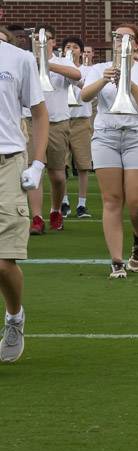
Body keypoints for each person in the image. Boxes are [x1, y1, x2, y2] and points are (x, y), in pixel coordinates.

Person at [79, 23, 138, 278]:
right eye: (116, 37)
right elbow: (84, 96)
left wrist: (128, 79)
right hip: (106, 136)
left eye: (126, 38)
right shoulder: (97, 69)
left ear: (136, 45)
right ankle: (116, 261)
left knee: (137, 202)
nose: (120, 42)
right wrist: (105, 78)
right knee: (112, 200)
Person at [1, 33, 48, 364]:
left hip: (8, 161)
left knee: (3, 262)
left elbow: (39, 113)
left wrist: (38, 162)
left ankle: (14, 316)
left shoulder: (18, 58)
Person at [31, 27, 82, 233]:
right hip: (30, 120)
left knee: (58, 176)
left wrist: (46, 64)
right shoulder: (25, 60)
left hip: (57, 122)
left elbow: (77, 75)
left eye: (45, 39)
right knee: (33, 171)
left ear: (52, 42)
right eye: (36, 39)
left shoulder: (62, 61)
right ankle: (36, 217)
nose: (40, 42)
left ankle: (55, 210)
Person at [60, 36, 94, 219]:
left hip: (81, 120)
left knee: (83, 165)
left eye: (74, 47)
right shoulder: (59, 68)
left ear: (81, 52)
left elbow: (88, 91)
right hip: (63, 120)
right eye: (67, 46)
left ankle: (82, 204)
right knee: (60, 165)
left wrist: (74, 77)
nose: (71, 49)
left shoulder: (88, 70)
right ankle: (64, 202)